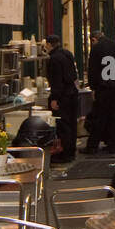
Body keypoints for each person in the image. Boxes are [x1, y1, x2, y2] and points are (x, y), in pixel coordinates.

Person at [85, 29, 115, 153]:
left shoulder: (96, 49)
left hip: (103, 87)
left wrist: (93, 87)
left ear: (94, 39)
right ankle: (113, 144)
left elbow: (92, 69)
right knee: (114, 115)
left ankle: (92, 146)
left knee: (99, 116)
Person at [44, 33, 79, 163]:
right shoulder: (68, 54)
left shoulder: (54, 59)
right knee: (72, 123)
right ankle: (71, 151)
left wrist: (54, 99)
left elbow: (56, 81)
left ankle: (64, 154)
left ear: (48, 44)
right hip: (72, 93)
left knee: (63, 125)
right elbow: (74, 74)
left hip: (63, 96)